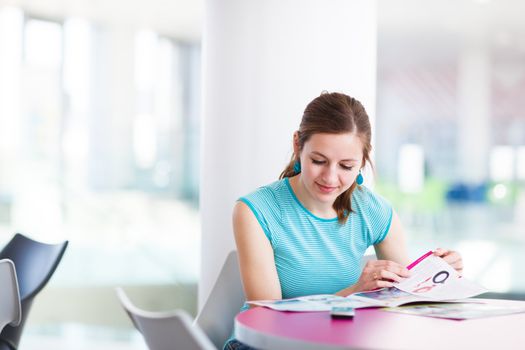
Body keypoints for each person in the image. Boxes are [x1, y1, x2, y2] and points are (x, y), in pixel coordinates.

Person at [225, 92, 463, 350]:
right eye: (318, 161)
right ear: (297, 145)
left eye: (346, 166)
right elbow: (268, 320)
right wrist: (354, 292)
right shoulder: (256, 210)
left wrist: (441, 273)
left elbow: (407, 293)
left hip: (339, 344)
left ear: (362, 160)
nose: (330, 177)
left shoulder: (374, 210)